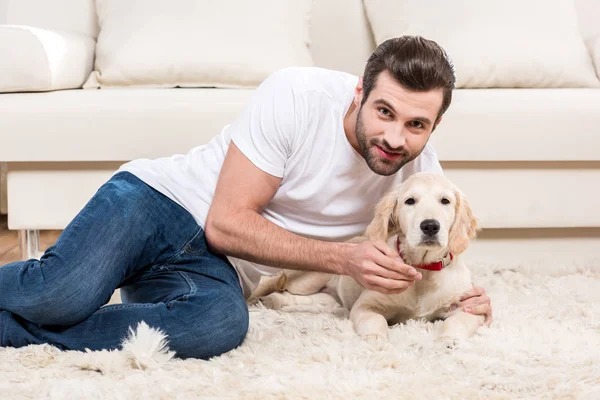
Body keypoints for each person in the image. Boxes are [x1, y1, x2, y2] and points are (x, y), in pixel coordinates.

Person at [0, 36, 492, 359]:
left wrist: (466, 298)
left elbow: (439, 247)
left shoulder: (420, 173)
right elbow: (225, 223)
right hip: (156, 204)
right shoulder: (297, 95)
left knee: (216, 327)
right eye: (384, 111)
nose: (395, 137)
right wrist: (345, 259)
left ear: (434, 125)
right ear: (359, 93)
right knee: (57, 295)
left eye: (416, 125)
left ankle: (14, 333)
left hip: (214, 268)